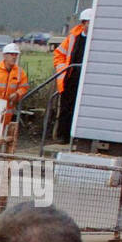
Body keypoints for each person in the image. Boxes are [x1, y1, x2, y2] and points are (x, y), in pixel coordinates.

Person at [53, 8, 91, 142]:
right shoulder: (73, 38)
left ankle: (77, 137)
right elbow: (59, 54)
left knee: (80, 108)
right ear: (83, 23)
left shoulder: (96, 40)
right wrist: (63, 70)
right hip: (71, 78)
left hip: (87, 80)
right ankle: (63, 136)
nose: (88, 25)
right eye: (87, 22)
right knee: (66, 107)